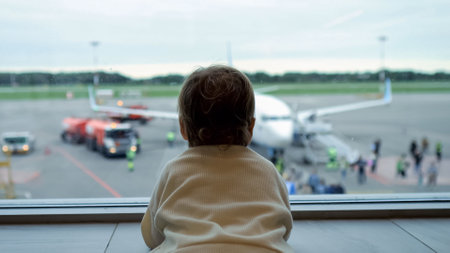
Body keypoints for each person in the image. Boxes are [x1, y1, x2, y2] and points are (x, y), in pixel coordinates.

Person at [141, 65, 293, 252]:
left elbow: (151, 236)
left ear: (183, 128)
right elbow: (283, 230)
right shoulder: (268, 170)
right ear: (251, 127)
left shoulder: (174, 170)